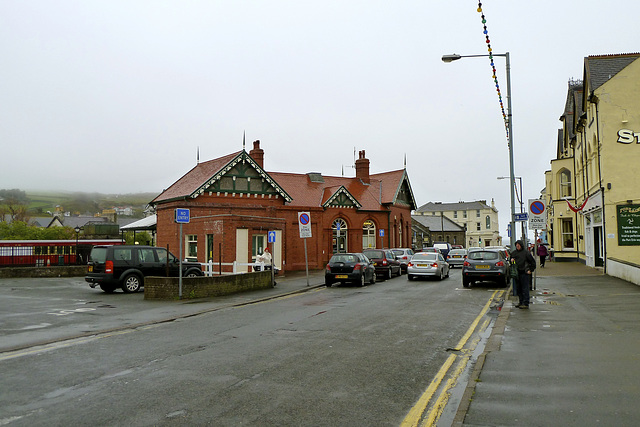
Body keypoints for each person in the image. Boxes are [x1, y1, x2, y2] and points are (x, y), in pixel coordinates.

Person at [510, 240, 536, 309]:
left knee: (525, 288)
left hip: (524, 273)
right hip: (517, 273)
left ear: (521, 245)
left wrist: (530, 270)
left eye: (519, 245)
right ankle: (521, 302)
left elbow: (533, 262)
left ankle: (525, 303)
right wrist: (511, 260)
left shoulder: (526, 253)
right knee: (519, 289)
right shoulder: (514, 253)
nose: (517, 246)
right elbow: (510, 262)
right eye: (516, 245)